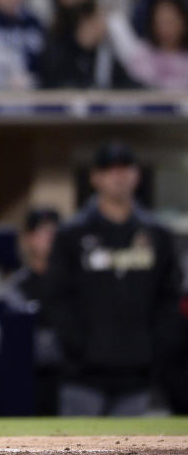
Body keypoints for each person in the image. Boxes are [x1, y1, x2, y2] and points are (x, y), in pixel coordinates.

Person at [46, 141, 183, 416]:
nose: (118, 176)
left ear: (137, 175)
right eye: (110, 169)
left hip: (138, 375)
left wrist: (155, 350)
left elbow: (169, 298)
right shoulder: (72, 234)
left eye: (125, 168)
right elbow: (57, 297)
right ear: (95, 177)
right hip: (82, 376)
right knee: (76, 454)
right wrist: (76, 348)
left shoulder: (157, 234)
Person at [0, 207, 62, 415]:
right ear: (27, 238)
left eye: (54, 232)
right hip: (28, 373)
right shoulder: (16, 285)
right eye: (41, 232)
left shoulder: (73, 283)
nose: (48, 238)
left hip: (69, 374)